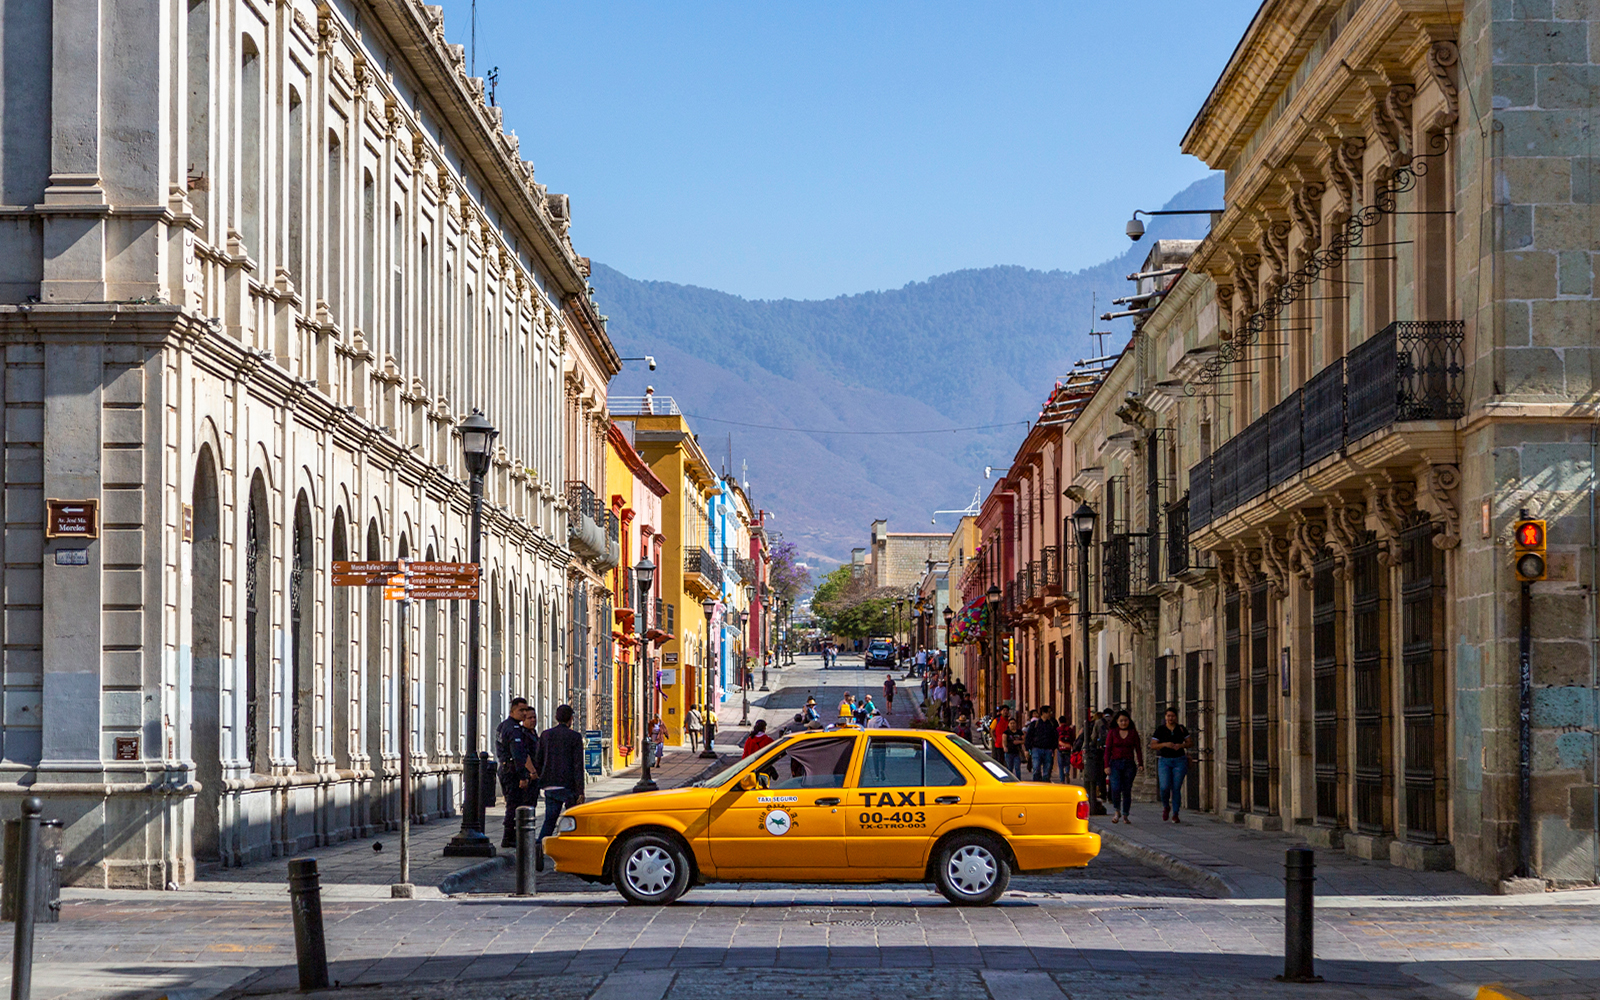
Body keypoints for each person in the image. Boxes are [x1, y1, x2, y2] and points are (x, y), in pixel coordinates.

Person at [532, 704, 585, 869]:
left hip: (550, 785)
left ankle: (539, 847)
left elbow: (538, 760)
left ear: (556, 718)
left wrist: (540, 778)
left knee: (549, 820)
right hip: (568, 786)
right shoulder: (575, 737)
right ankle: (572, 856)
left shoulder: (546, 735)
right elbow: (578, 766)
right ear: (571, 719)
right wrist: (580, 791)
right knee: (573, 822)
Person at [501, 707, 539, 848]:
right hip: (523, 775)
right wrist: (531, 773)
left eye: (534, 717)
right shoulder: (521, 734)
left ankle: (524, 836)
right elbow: (523, 756)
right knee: (517, 806)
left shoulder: (533, 734)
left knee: (529, 806)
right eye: (529, 718)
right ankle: (510, 836)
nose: (533, 720)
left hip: (532, 777)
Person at [1150, 707, 1193, 823]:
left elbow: (1190, 743)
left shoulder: (1181, 729)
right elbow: (1153, 745)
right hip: (1164, 761)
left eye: (1172, 716)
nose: (1170, 718)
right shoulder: (1160, 730)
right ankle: (1166, 806)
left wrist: (1181, 746)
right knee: (1164, 787)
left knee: (1176, 788)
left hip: (1179, 760)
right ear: (1165, 717)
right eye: (1168, 716)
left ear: (1176, 717)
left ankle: (1175, 813)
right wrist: (1165, 744)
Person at [1104, 709, 1144, 823]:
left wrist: (1140, 763)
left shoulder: (1133, 733)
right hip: (1115, 763)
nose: (1123, 723)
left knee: (1127, 790)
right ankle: (1117, 811)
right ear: (1117, 721)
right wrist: (1106, 765)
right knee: (1115, 788)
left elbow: (1138, 748)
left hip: (1129, 764)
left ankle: (1126, 814)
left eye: (1125, 720)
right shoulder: (1113, 732)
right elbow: (1108, 750)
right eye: (1121, 721)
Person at [1028, 705, 1059, 782]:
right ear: (1043, 713)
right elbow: (1029, 736)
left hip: (1048, 749)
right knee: (1036, 767)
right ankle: (1037, 783)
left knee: (1047, 769)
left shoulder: (1052, 724)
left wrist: (1053, 747)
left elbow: (1055, 736)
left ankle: (1045, 783)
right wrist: (1027, 749)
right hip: (1036, 748)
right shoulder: (1035, 724)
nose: (1050, 714)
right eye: (1049, 712)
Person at [1056, 716, 1077, 784]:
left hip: (1060, 749)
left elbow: (1055, 738)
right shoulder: (1070, 729)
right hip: (1068, 748)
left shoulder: (1058, 729)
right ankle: (1067, 772)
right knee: (1067, 763)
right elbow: (1073, 738)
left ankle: (1062, 780)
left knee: (1060, 765)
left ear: (1059, 721)